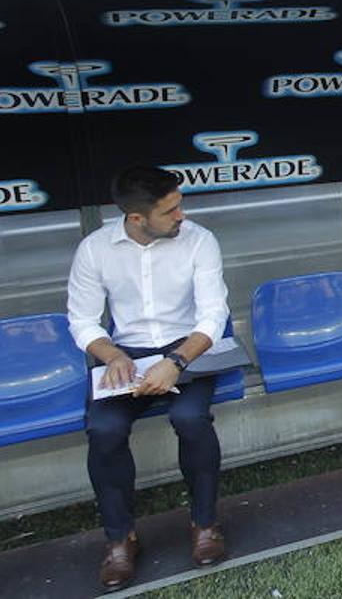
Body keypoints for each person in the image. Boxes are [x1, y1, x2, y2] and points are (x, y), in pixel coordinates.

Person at [66, 166, 230, 590]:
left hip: (188, 348)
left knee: (190, 419)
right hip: (126, 354)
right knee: (104, 428)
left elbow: (213, 316)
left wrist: (175, 360)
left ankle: (205, 524)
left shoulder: (200, 240)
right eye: (171, 210)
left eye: (180, 205)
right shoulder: (95, 249)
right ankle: (121, 540)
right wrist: (111, 353)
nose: (182, 216)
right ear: (136, 218)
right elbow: (82, 320)